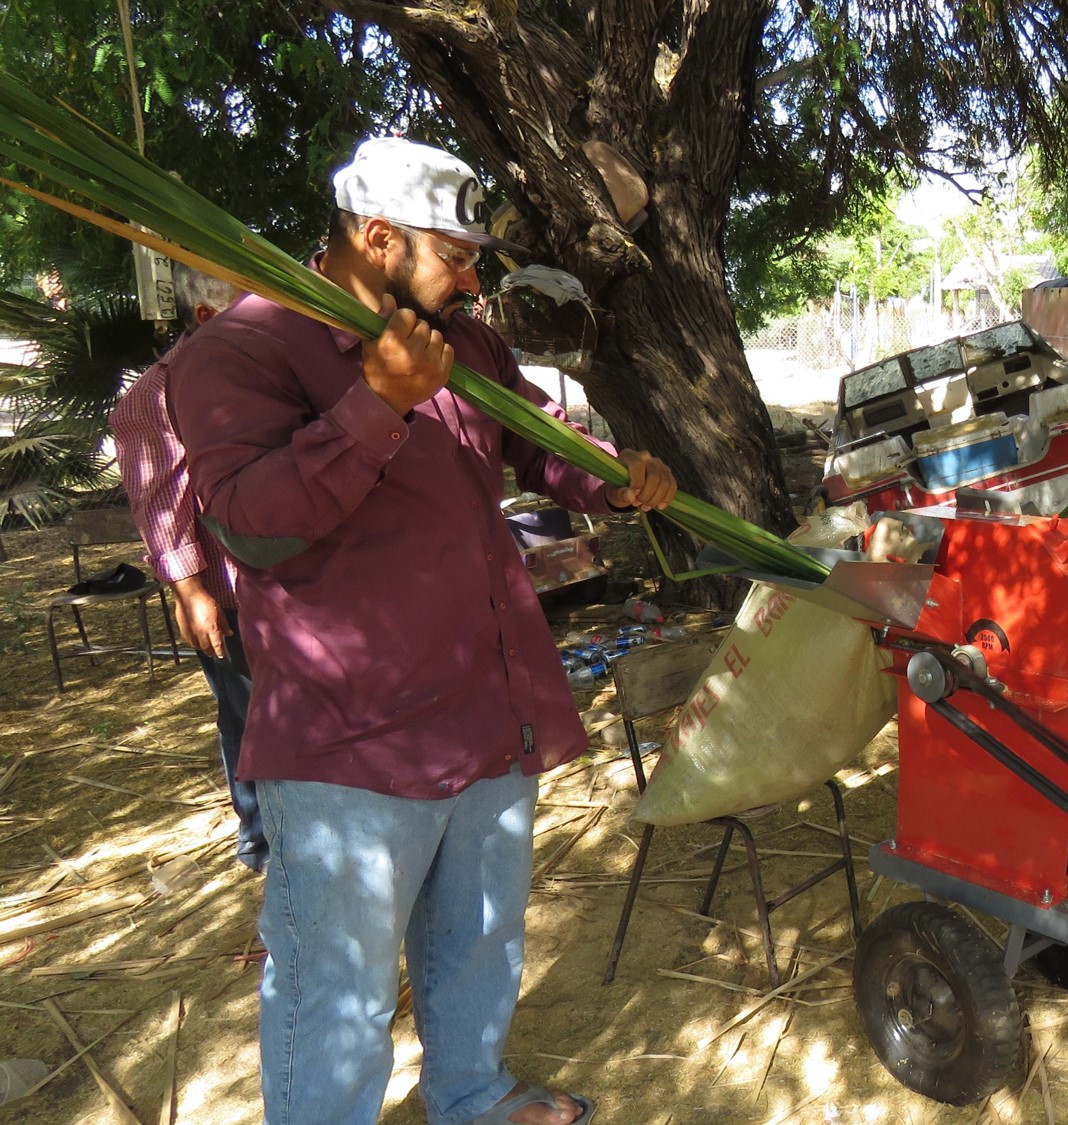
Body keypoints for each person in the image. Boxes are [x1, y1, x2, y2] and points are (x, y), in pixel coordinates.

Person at [172, 137, 678, 1125]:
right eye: (457, 253)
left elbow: (537, 439)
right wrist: (379, 403)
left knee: (480, 936)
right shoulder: (242, 351)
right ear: (375, 238)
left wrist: (614, 476)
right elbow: (253, 523)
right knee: (335, 989)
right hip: (349, 743)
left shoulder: (465, 343)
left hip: (487, 704)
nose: (474, 275)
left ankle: (472, 1093)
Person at [109, 265, 265, 872]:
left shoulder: (267, 375)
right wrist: (191, 593)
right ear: (208, 317)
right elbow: (159, 502)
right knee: (248, 713)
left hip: (295, 589)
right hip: (227, 592)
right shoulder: (156, 393)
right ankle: (262, 837)